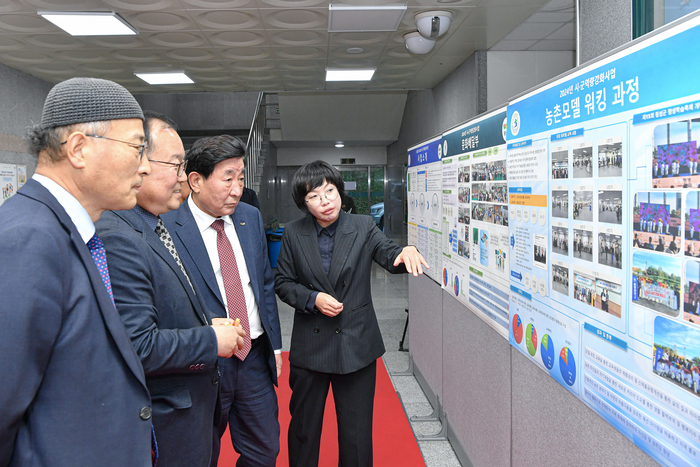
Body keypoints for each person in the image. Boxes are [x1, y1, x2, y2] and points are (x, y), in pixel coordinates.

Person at [0, 77, 154, 466]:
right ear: (80, 149)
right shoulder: (29, 240)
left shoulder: (72, 232)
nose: (147, 167)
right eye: (138, 148)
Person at [95, 112, 246, 467]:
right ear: (140, 163)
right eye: (176, 165)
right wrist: (211, 340)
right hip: (164, 423)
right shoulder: (119, 236)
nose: (182, 178)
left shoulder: (153, 225)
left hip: (190, 413)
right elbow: (138, 346)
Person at [274, 160, 429, 467]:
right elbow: (282, 283)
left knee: (356, 435)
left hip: (355, 344)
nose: (325, 201)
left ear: (339, 191)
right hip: (311, 348)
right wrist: (313, 298)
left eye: (330, 191)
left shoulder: (362, 226)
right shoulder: (293, 233)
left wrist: (405, 251)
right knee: (304, 430)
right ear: (303, 204)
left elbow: (389, 255)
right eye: (314, 196)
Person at [162, 135, 283, 467]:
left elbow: (263, 284)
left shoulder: (249, 217)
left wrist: (274, 347)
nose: (237, 188)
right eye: (228, 178)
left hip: (253, 356)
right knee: (202, 452)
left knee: (264, 450)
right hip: (204, 362)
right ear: (196, 181)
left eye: (241, 177)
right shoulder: (168, 226)